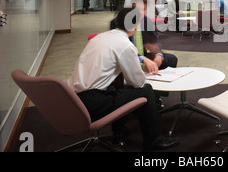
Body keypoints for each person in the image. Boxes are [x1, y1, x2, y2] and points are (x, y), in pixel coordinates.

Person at [68, 8, 179, 150]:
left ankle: (119, 129)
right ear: (136, 25)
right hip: (93, 103)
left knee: (119, 87)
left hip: (73, 99)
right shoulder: (125, 45)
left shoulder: (99, 38)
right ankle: (153, 140)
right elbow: (137, 82)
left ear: (117, 22)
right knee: (146, 90)